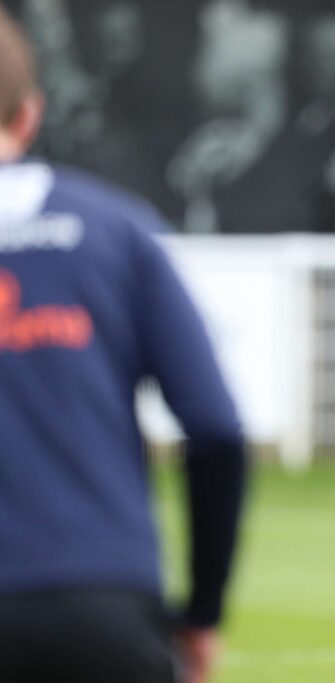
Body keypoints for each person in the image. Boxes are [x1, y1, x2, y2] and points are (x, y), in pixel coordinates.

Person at [0, 7, 246, 683]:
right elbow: (217, 428)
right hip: (103, 604)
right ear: (30, 114)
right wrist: (201, 611)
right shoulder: (115, 231)